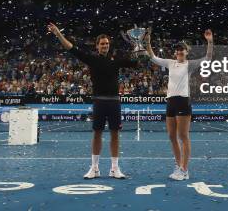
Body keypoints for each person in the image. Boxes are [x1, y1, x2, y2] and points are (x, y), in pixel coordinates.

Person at [47, 23, 139, 179]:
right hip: (99, 102)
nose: (105, 46)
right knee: (97, 133)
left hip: (114, 101)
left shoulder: (116, 59)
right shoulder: (91, 59)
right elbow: (71, 48)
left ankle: (114, 169)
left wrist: (139, 46)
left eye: (107, 44)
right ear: (97, 46)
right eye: (102, 44)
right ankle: (95, 168)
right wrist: (58, 34)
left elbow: (136, 62)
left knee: (115, 134)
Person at [144, 29, 213, 181]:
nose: (179, 51)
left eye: (182, 49)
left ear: (186, 52)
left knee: (183, 136)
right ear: (175, 53)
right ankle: (178, 165)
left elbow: (208, 58)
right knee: (171, 136)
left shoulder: (190, 64)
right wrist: (148, 42)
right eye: (177, 50)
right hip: (171, 102)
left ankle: (184, 169)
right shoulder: (170, 63)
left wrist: (209, 41)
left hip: (183, 101)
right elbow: (152, 57)